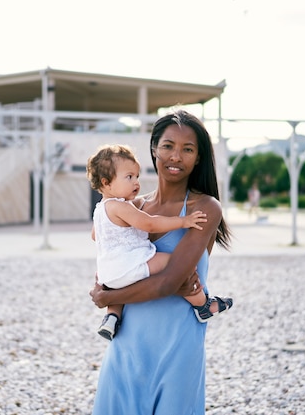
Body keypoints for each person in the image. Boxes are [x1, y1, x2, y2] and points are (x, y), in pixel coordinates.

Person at [89, 110, 233, 414]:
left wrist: (107, 297)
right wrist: (107, 288)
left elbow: (172, 282)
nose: (176, 156)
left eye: (188, 149)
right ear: (154, 148)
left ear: (198, 158)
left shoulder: (204, 207)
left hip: (178, 346)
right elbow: (110, 260)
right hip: (127, 343)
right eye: (168, 146)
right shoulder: (132, 208)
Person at [86, 144, 233, 340]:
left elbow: (95, 236)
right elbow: (149, 224)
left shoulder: (100, 209)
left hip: (108, 274)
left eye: (137, 176)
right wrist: (183, 221)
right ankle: (202, 305)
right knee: (175, 264)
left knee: (119, 284)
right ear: (106, 183)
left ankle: (112, 317)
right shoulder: (120, 207)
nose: (136, 182)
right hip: (132, 263)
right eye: (129, 177)